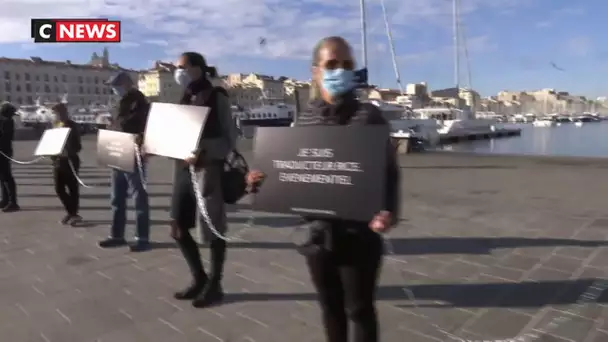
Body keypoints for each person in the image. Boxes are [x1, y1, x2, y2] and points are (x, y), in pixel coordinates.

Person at [247, 36, 400, 342]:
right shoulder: (304, 119)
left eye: (346, 65)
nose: (339, 70)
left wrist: (389, 211)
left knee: (359, 310)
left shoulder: (369, 116)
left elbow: (390, 173)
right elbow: (291, 172)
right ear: (315, 71)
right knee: (330, 308)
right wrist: (259, 182)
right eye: (332, 64)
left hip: (360, 234)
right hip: (317, 235)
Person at [169, 52, 238, 308]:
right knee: (177, 228)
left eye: (182, 67)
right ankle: (199, 278)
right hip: (183, 171)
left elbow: (230, 139)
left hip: (208, 171)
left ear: (197, 68)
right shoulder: (185, 97)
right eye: (177, 68)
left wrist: (205, 152)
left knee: (213, 227)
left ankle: (215, 285)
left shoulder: (216, 96)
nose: (178, 72)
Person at [98, 72, 151, 252]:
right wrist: (110, 123)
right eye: (113, 85)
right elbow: (118, 123)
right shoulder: (117, 102)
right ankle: (117, 235)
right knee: (117, 196)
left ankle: (142, 237)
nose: (114, 88)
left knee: (139, 196)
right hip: (117, 148)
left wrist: (114, 124)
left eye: (116, 85)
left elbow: (132, 123)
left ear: (127, 83)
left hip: (132, 150)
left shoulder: (138, 100)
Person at [50, 103, 83, 225]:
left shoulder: (71, 125)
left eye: (55, 113)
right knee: (58, 189)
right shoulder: (55, 126)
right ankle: (71, 212)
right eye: (53, 113)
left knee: (72, 188)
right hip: (57, 161)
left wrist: (68, 151)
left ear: (63, 113)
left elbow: (77, 146)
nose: (54, 115)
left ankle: (73, 214)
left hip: (70, 161)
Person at [0, 102, 19, 212]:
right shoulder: (5, 121)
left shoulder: (7, 122)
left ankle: (13, 202)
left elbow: (4, 136)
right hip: (3, 151)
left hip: (3, 151)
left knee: (6, 177)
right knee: (3, 178)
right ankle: (5, 199)